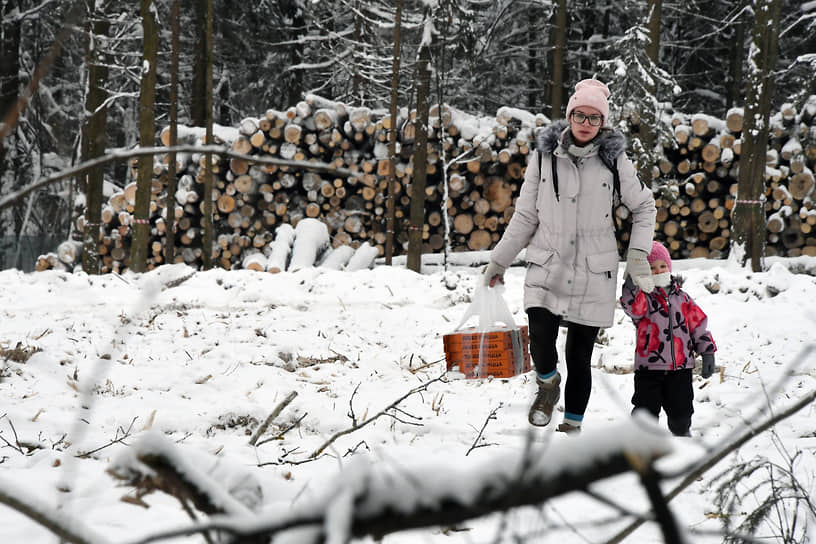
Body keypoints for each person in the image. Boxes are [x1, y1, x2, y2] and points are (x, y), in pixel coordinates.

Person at [483, 79, 657, 434]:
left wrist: (638, 254)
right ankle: (547, 384)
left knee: (580, 356)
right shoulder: (544, 156)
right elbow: (526, 215)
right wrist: (500, 259)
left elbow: (644, 206)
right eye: (580, 114)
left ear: (603, 124)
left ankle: (572, 429)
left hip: (595, 268)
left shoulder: (614, 160)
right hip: (548, 260)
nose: (586, 123)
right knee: (541, 342)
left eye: (594, 118)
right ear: (569, 115)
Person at [619, 241, 717, 437]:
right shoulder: (643, 298)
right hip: (649, 369)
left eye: (662, 266)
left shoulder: (683, 298)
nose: (658, 271)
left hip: (680, 370)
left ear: (669, 267)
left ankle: (682, 435)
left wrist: (707, 352)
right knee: (645, 413)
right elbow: (631, 307)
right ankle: (641, 444)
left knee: (681, 414)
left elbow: (698, 325)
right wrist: (631, 285)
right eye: (652, 268)